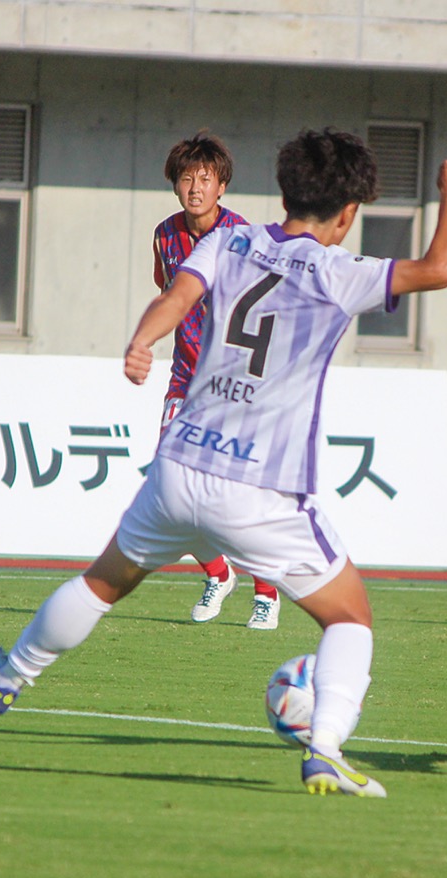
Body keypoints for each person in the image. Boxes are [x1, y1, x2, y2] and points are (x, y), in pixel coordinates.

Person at [0, 129, 447, 797]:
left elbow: (176, 300)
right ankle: (324, 747)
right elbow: (440, 269)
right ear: (349, 212)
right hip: (261, 487)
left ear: (284, 189)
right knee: (350, 618)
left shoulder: (228, 240)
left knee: (103, 582)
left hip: (181, 466)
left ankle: (10, 675)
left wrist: (140, 342)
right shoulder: (339, 273)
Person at [154, 131, 279, 630]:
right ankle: (217, 572)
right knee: (167, 487)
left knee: (237, 493)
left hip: (234, 381)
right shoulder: (164, 234)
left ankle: (266, 591)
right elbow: (167, 291)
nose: (195, 188)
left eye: (205, 179)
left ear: (222, 186)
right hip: (185, 377)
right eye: (187, 178)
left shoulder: (242, 236)